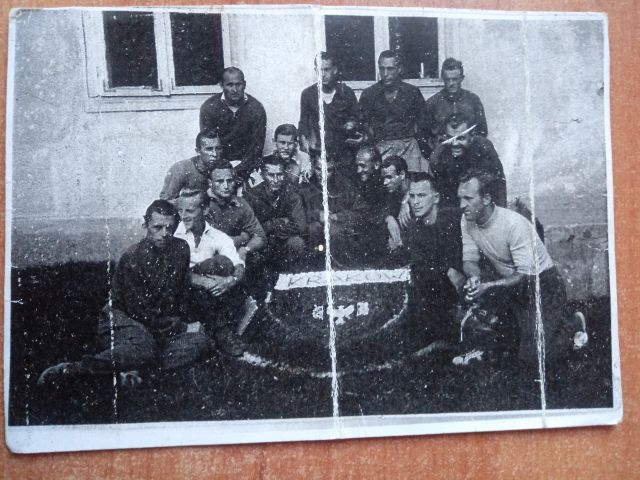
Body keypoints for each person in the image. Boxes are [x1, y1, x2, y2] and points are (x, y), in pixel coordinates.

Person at [38, 200, 210, 387]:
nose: (164, 234)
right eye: (157, 227)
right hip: (123, 319)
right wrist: (181, 328)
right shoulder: (133, 257)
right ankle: (73, 370)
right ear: (145, 226)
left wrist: (184, 325)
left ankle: (136, 372)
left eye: (170, 227)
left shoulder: (181, 248)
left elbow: (181, 293)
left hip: (157, 324)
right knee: (144, 347)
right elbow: (141, 313)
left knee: (201, 342)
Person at [457, 170, 587, 367]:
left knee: (533, 357)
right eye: (460, 198)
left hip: (543, 284)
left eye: (468, 198)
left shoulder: (513, 224)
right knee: (511, 347)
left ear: (486, 198)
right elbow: (469, 260)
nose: (461, 205)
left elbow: (524, 275)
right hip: (512, 287)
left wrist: (488, 286)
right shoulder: (467, 220)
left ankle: (573, 324)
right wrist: (474, 278)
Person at [175, 190, 247, 356]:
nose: (184, 216)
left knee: (223, 263)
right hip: (180, 293)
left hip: (208, 295)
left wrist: (230, 280)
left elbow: (238, 265)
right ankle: (217, 330)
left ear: (205, 209)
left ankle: (219, 331)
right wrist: (201, 280)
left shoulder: (218, 237)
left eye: (190, 211)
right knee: (212, 266)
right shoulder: (173, 234)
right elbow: (169, 272)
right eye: (180, 210)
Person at [401, 173, 465, 346]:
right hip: (441, 293)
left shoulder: (454, 219)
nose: (415, 202)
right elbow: (421, 267)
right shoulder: (415, 229)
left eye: (421, 195)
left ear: (436, 198)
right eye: (412, 196)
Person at [358, 50, 429, 173]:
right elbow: (363, 124)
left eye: (390, 69)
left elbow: (423, 123)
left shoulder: (412, 92)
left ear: (399, 69)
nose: (385, 74)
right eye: (382, 69)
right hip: (381, 147)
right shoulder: (369, 94)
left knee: (413, 179)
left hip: (409, 147)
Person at [199, 67, 267, 182]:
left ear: (244, 84)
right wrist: (224, 171)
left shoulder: (256, 108)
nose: (235, 90)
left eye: (238, 84)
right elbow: (209, 145)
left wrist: (239, 170)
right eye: (230, 85)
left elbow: (256, 148)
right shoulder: (209, 107)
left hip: (247, 168)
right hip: (218, 167)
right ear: (221, 85)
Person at [243, 156, 307, 274]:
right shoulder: (252, 195)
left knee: (297, 243)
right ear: (262, 175)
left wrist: (269, 227)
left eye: (280, 174)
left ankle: (293, 278)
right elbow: (252, 229)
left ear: (285, 174)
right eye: (271, 175)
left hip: (283, 240)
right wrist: (279, 222)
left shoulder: (292, 194)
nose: (276, 180)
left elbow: (301, 226)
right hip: (263, 242)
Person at [298, 51, 359, 172]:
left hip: (345, 152)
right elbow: (303, 124)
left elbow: (358, 118)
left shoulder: (346, 92)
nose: (323, 74)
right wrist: (306, 148)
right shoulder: (308, 94)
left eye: (327, 70)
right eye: (320, 70)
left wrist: (352, 124)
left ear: (334, 70)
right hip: (319, 152)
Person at [298, 153, 362, 267]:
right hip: (315, 239)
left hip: (341, 235)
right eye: (319, 169)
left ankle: (341, 267)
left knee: (334, 230)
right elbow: (298, 214)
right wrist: (317, 214)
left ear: (335, 169)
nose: (323, 175)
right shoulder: (305, 188)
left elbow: (361, 212)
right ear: (313, 167)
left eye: (328, 170)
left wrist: (338, 217)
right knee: (314, 228)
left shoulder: (346, 186)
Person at [430, 115, 506, 208]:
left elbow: (498, 186)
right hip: (453, 199)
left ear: (472, 136)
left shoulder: (484, 149)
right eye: (450, 138)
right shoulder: (438, 157)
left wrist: (500, 212)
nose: (455, 144)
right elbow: (442, 198)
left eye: (461, 138)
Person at [422, 58, 488, 151]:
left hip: (468, 153)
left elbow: (482, 131)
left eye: (455, 79)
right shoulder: (432, 103)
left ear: (462, 78)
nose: (451, 83)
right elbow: (423, 134)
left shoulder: (473, 100)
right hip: (442, 154)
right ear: (443, 79)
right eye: (447, 79)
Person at [206, 160, 266, 262]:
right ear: (210, 183)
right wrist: (243, 238)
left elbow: (260, 236)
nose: (226, 186)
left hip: (235, 254)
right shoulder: (201, 203)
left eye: (229, 181)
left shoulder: (241, 203)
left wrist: (246, 249)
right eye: (220, 181)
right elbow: (210, 243)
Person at [159, 130, 223, 200]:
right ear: (198, 151)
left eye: (218, 148)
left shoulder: (223, 168)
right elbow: (165, 201)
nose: (215, 154)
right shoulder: (181, 169)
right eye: (209, 149)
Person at [380, 155, 410, 251]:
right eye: (384, 178)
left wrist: (407, 200)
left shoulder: (418, 184)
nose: (385, 182)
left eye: (389, 177)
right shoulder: (390, 191)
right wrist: (388, 218)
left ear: (402, 174)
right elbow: (378, 209)